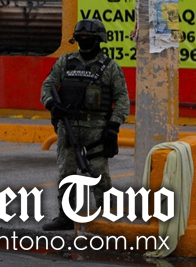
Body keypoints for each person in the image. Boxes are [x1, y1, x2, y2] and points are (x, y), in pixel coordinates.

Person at [40, 18, 130, 231]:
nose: (84, 41)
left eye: (88, 38)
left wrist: (113, 126)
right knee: (66, 174)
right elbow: (47, 86)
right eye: (81, 38)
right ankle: (65, 217)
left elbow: (122, 99)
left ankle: (107, 215)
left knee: (99, 174)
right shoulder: (65, 62)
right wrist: (52, 104)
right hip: (68, 126)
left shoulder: (110, 67)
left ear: (99, 40)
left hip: (97, 129)